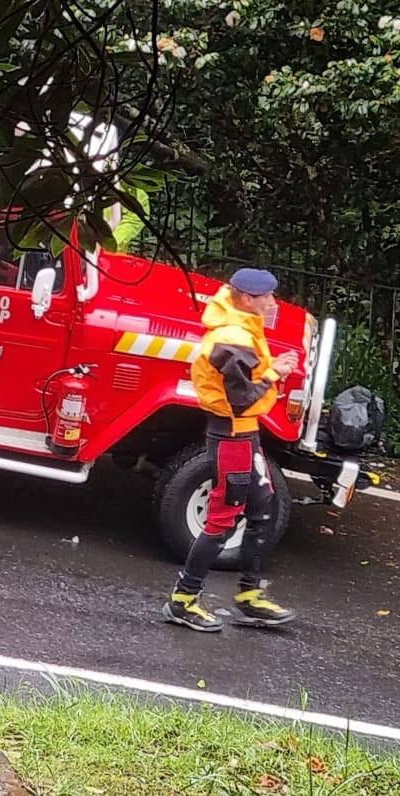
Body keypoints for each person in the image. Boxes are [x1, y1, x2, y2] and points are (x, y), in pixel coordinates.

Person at [165, 267, 301, 632]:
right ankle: (184, 599)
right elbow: (241, 400)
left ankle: (249, 595)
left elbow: (244, 381)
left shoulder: (243, 331)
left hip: (246, 436)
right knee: (223, 520)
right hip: (232, 438)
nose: (273, 303)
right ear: (246, 299)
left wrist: (272, 367)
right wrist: (276, 374)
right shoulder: (232, 338)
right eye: (267, 297)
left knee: (264, 509)